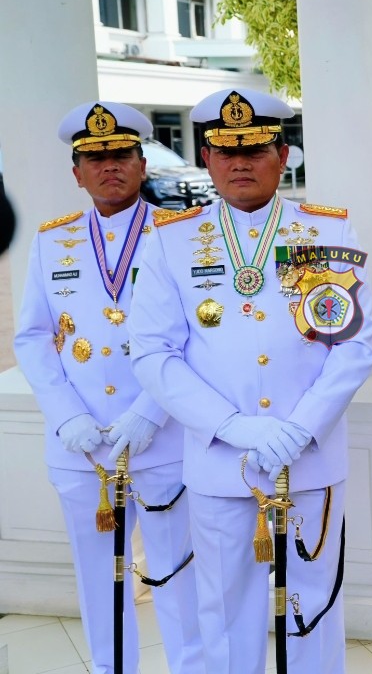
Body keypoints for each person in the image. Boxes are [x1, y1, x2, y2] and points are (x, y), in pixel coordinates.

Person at [128, 88, 372, 674]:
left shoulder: (325, 232)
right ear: (208, 159)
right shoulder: (172, 238)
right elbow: (153, 352)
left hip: (308, 461)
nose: (241, 162)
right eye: (225, 150)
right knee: (223, 611)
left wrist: (297, 429)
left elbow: (354, 346)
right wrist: (233, 426)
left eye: (257, 148)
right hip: (220, 461)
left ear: (283, 155)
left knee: (313, 606)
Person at [13, 101, 202, 673]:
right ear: (76, 173)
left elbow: (197, 335)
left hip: (162, 439)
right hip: (85, 447)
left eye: (121, 154)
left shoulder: (184, 236)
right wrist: (66, 415)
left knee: (179, 581)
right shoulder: (52, 242)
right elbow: (32, 337)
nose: (109, 167)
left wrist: (152, 411)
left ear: (143, 164)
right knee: (99, 584)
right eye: (94, 158)